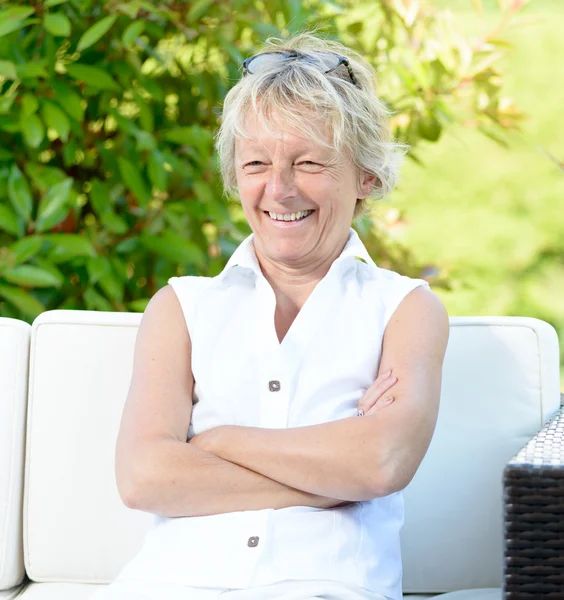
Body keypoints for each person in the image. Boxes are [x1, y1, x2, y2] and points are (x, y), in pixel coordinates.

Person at [92, 32, 449, 600]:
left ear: (367, 176)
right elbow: (143, 477)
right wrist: (331, 478)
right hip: (167, 585)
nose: (279, 190)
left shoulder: (404, 307)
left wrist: (217, 440)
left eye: (308, 162)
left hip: (324, 587)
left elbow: (381, 463)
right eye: (256, 162)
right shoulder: (183, 307)